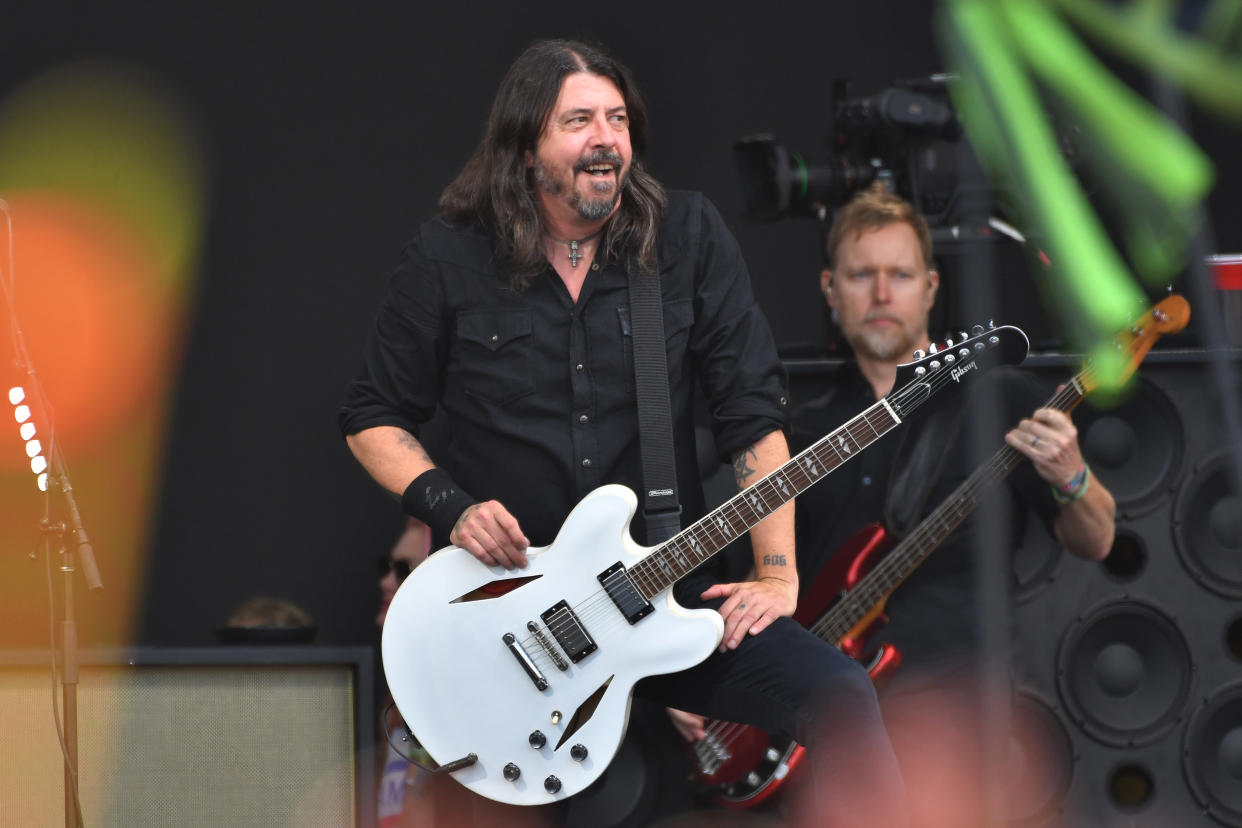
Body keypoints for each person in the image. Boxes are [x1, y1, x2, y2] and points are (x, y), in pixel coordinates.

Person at [339, 37, 906, 827]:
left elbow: (752, 416)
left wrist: (777, 577)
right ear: (526, 147)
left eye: (617, 118)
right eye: (579, 120)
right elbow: (373, 415)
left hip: (656, 593)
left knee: (838, 693)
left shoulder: (685, 240)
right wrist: (452, 508)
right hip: (501, 618)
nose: (606, 137)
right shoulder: (449, 255)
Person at [791, 187, 1116, 825]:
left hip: (965, 726)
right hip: (837, 735)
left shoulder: (995, 398)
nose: (882, 295)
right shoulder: (801, 433)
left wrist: (1072, 475)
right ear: (831, 289)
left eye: (901, 275)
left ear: (932, 287)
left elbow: (1097, 538)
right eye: (862, 275)